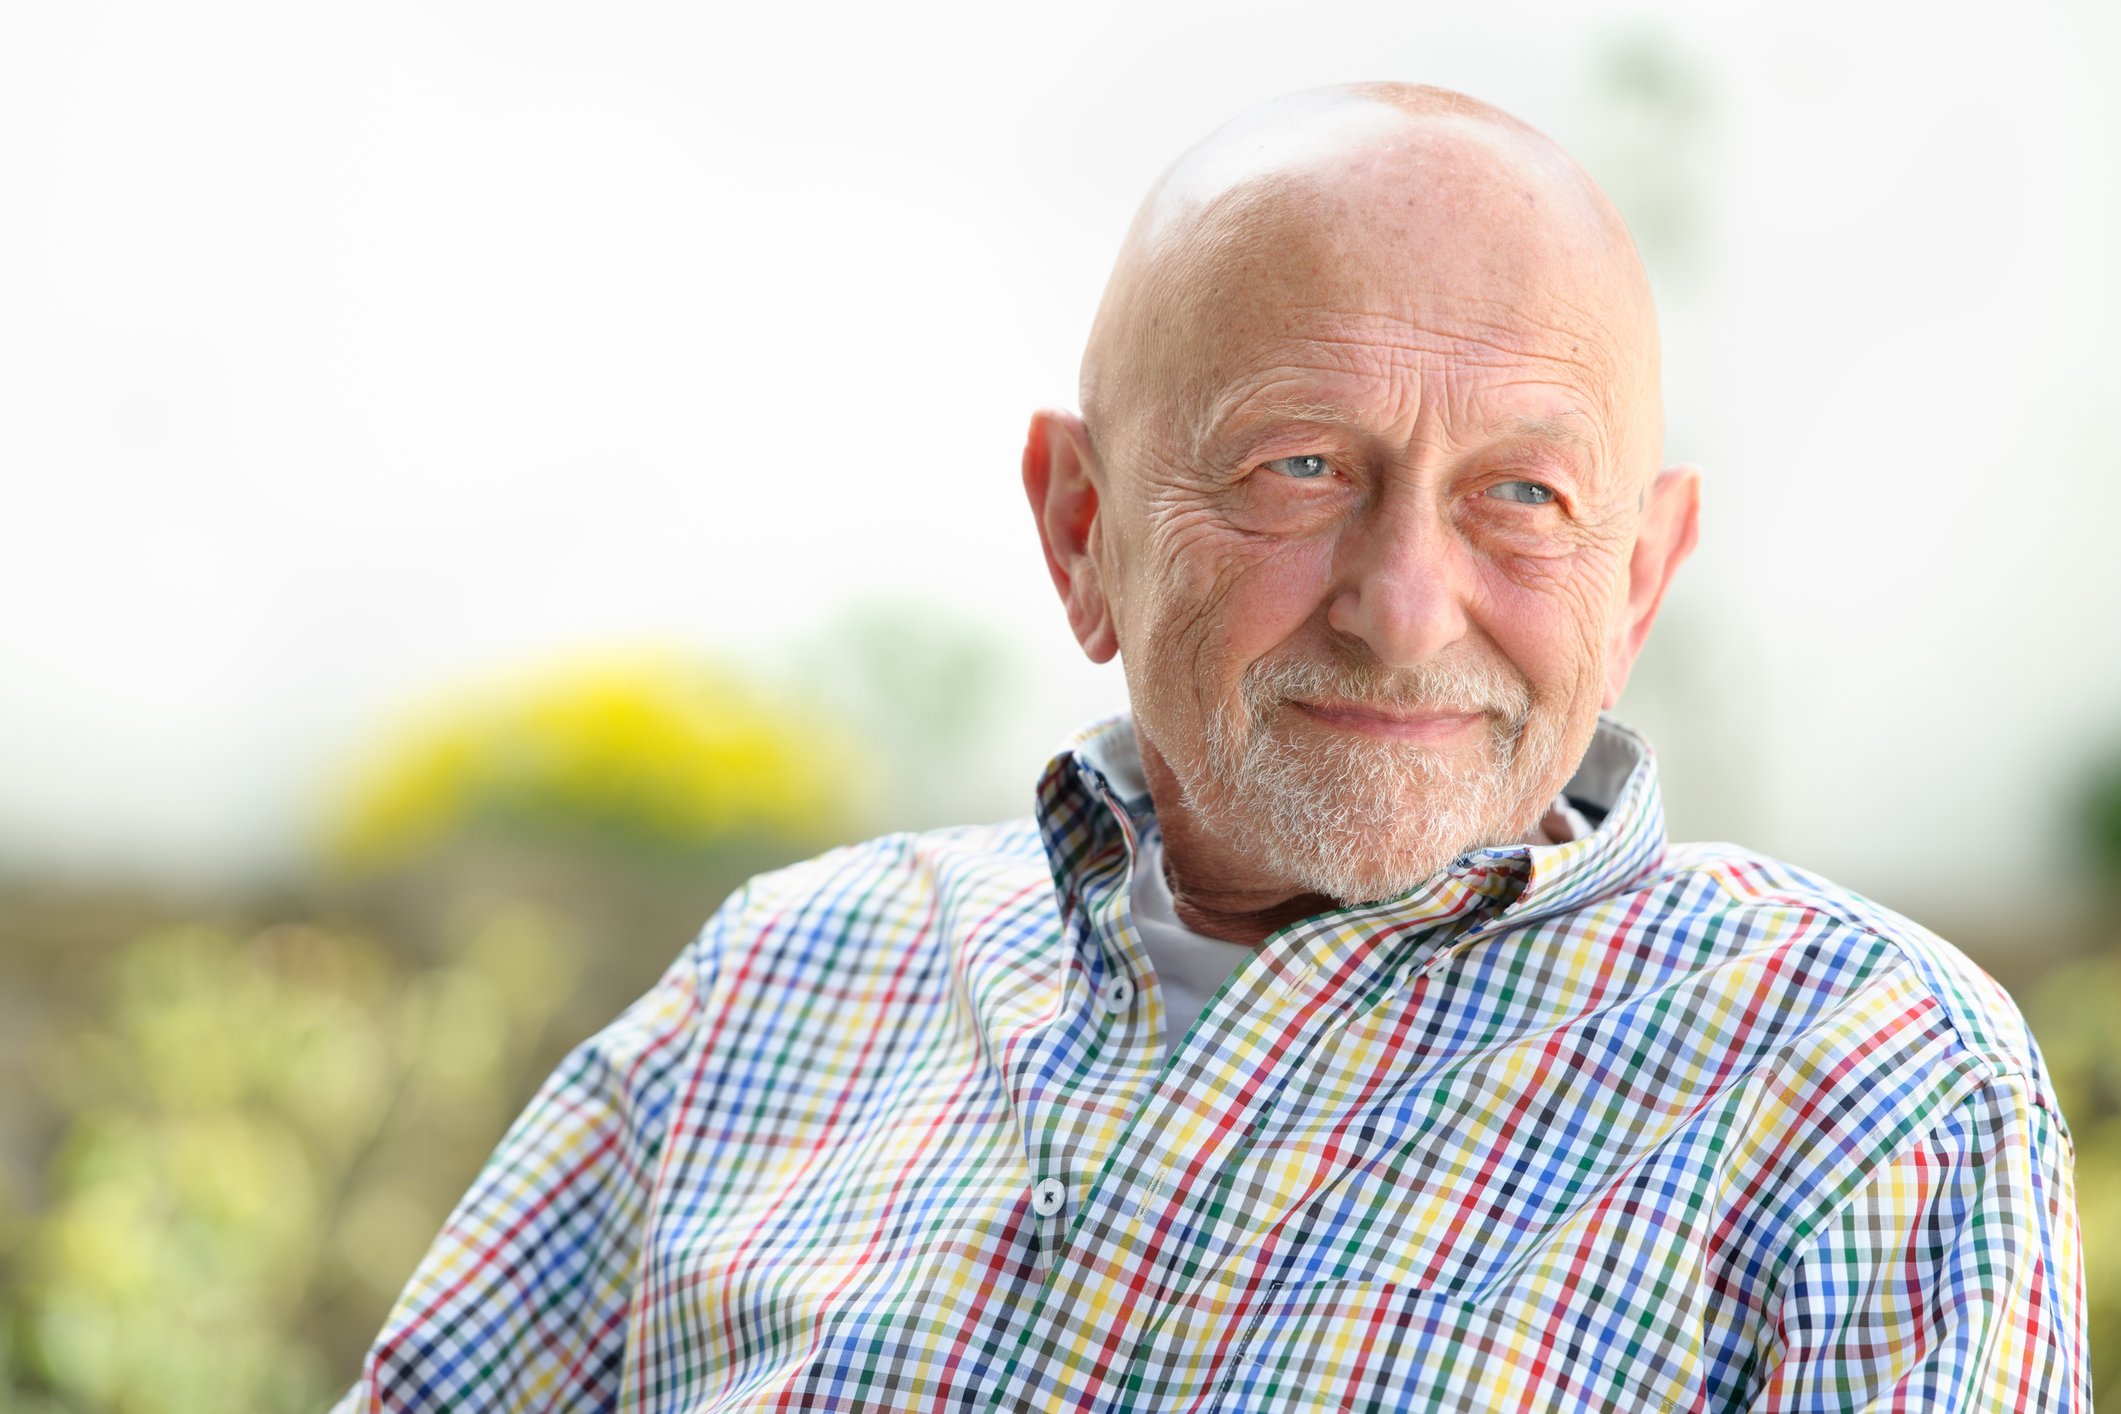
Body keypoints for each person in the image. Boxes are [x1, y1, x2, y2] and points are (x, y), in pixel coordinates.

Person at [338, 84, 2086, 1412]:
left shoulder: (1865, 1085)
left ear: (1638, 574)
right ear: (1081, 524)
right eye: (1299, 468)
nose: (1404, 607)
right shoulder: (775, 988)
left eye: (1521, 495)